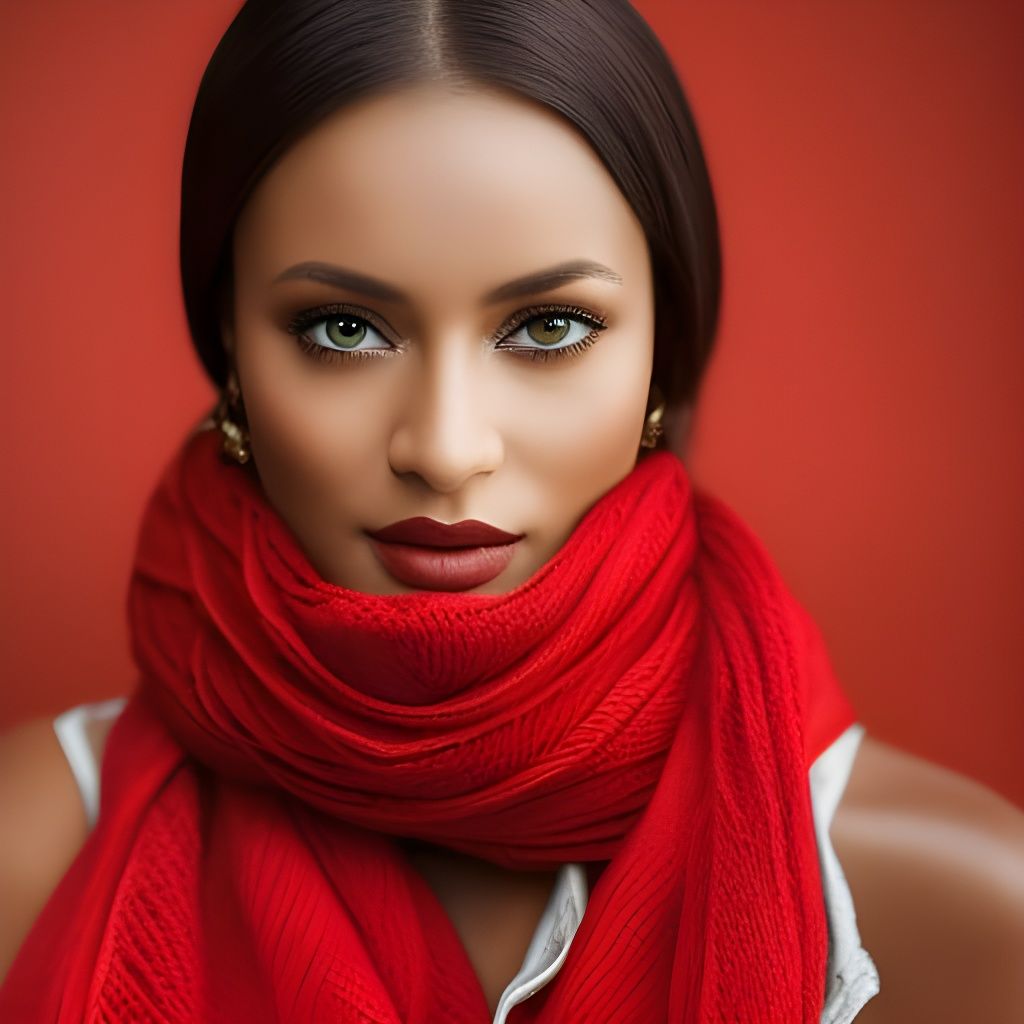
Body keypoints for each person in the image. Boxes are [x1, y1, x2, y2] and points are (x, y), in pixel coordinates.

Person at [1, 1, 1022, 1021]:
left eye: (549, 326)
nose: (446, 449)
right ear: (228, 341)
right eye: (344, 328)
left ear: (662, 343)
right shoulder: (30, 851)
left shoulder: (955, 907)